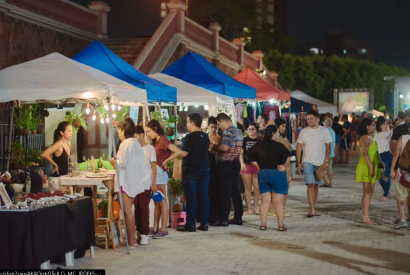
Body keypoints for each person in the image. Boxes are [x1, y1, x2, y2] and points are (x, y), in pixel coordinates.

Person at [246, 125, 291, 231]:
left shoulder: (259, 145)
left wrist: (257, 165)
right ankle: (280, 226)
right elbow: (288, 155)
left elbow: (247, 154)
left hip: (263, 173)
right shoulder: (278, 145)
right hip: (277, 173)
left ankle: (263, 225)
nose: (278, 135)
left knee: (265, 201)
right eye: (277, 133)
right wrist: (284, 166)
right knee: (278, 202)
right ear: (273, 134)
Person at [109, 118, 144, 248]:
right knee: (130, 211)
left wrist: (113, 161)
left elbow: (121, 164)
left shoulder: (125, 144)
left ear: (124, 130)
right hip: (134, 180)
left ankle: (132, 242)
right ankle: (131, 240)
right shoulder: (136, 143)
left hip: (125, 181)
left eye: (119, 130)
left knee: (127, 212)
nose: (118, 133)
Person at [145, 119, 182, 239]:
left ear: (155, 129)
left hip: (160, 173)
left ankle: (163, 229)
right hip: (156, 172)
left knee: (162, 201)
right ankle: (156, 227)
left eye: (149, 131)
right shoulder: (157, 142)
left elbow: (178, 151)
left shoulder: (163, 141)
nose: (148, 134)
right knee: (157, 202)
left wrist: (166, 160)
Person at [177, 113, 210, 232]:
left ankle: (190, 224)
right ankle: (204, 223)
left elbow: (184, 153)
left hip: (191, 170)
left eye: (187, 122)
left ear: (192, 122)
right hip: (204, 169)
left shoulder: (189, 137)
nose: (186, 124)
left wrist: (177, 151)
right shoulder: (205, 136)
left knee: (191, 198)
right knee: (203, 197)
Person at [296, 110, 332, 217]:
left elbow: (328, 146)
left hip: (320, 163)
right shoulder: (304, 131)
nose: (309, 121)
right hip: (307, 162)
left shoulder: (324, 130)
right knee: (310, 184)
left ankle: (313, 207)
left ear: (317, 119)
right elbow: (299, 147)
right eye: (308, 119)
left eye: (311, 119)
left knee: (316, 185)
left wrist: (326, 161)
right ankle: (311, 209)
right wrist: (298, 162)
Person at [210, 113, 243, 226]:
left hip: (226, 164)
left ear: (222, 121)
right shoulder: (238, 131)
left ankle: (223, 218)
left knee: (225, 192)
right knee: (235, 191)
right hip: (235, 163)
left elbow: (225, 147)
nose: (219, 127)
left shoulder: (228, 132)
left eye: (219, 124)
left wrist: (213, 147)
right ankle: (238, 217)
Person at [134, 126, 157, 245]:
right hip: (134, 184)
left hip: (145, 183)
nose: (134, 139)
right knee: (136, 209)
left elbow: (154, 166)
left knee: (144, 209)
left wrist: (153, 183)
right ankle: (138, 231)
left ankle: (144, 234)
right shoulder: (133, 149)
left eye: (135, 136)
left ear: (141, 135)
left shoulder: (150, 149)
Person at [356, 118, 380, 225]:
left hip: (373, 166)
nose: (374, 127)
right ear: (367, 127)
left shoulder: (372, 137)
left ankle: (366, 215)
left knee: (370, 191)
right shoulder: (364, 138)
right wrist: (370, 166)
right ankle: (365, 217)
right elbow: (365, 154)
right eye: (373, 125)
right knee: (367, 192)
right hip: (366, 166)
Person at [390, 109, 410, 226]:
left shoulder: (403, 138)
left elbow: (396, 154)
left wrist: (392, 169)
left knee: (402, 195)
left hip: (404, 171)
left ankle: (403, 220)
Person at [271, 117, 292, 217]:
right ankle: (272, 210)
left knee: (285, 188)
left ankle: (282, 209)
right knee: (275, 190)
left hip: (286, 167)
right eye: (282, 126)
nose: (284, 128)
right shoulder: (275, 139)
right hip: (277, 166)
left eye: (285, 126)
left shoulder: (284, 137)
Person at [240, 122, 260, 215]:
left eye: (252, 129)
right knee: (247, 188)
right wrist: (242, 163)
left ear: (256, 130)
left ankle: (256, 207)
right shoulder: (244, 140)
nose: (250, 131)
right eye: (249, 129)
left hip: (256, 166)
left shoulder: (259, 141)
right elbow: (241, 153)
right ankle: (249, 208)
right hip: (246, 165)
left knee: (257, 187)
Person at [374, 117, 392, 202]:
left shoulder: (390, 134)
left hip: (388, 155)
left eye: (387, 123)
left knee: (387, 176)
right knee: (379, 177)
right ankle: (386, 190)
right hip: (380, 156)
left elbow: (395, 146)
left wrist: (391, 140)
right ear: (380, 125)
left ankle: (385, 196)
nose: (386, 125)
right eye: (384, 124)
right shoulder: (376, 135)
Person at [207, 116, 220, 224]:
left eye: (215, 127)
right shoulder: (205, 137)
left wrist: (214, 148)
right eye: (212, 127)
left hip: (216, 165)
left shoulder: (219, 137)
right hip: (208, 164)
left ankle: (213, 217)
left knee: (214, 191)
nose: (214, 129)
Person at [320, 118, 335, 188]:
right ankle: (329, 182)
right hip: (331, 153)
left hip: (326, 154)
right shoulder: (332, 131)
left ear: (326, 124)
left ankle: (326, 182)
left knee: (323, 168)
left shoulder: (325, 132)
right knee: (329, 168)